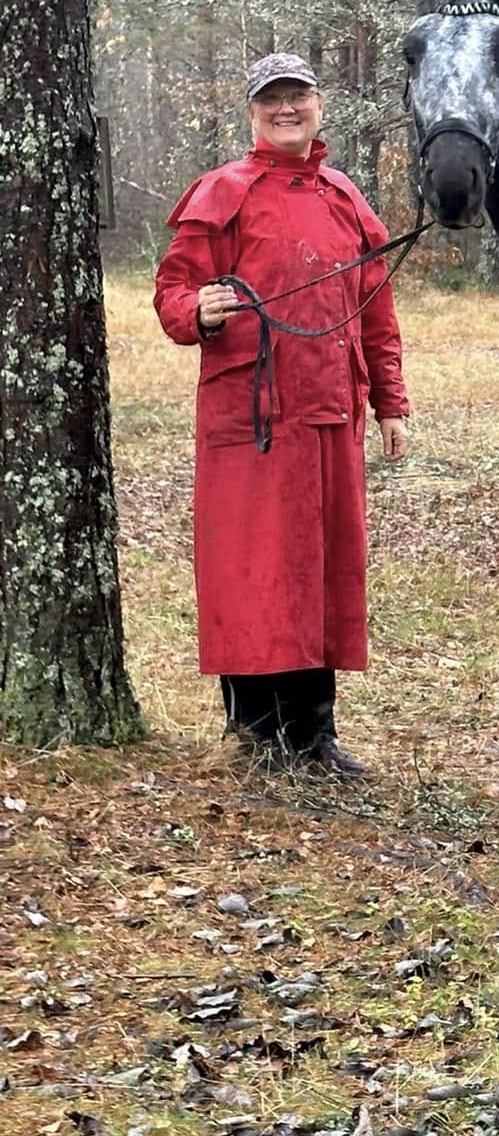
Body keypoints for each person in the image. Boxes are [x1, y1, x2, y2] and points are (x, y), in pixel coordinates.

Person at [153, 53, 410, 774]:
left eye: (297, 96)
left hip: (330, 415)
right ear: (253, 112)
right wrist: (195, 311)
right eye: (272, 100)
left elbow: (376, 313)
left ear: (319, 105)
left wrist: (390, 402)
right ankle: (254, 734)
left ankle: (314, 735)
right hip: (249, 420)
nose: (286, 109)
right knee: (253, 569)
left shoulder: (343, 197)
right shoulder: (223, 192)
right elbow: (174, 292)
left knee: (322, 569)